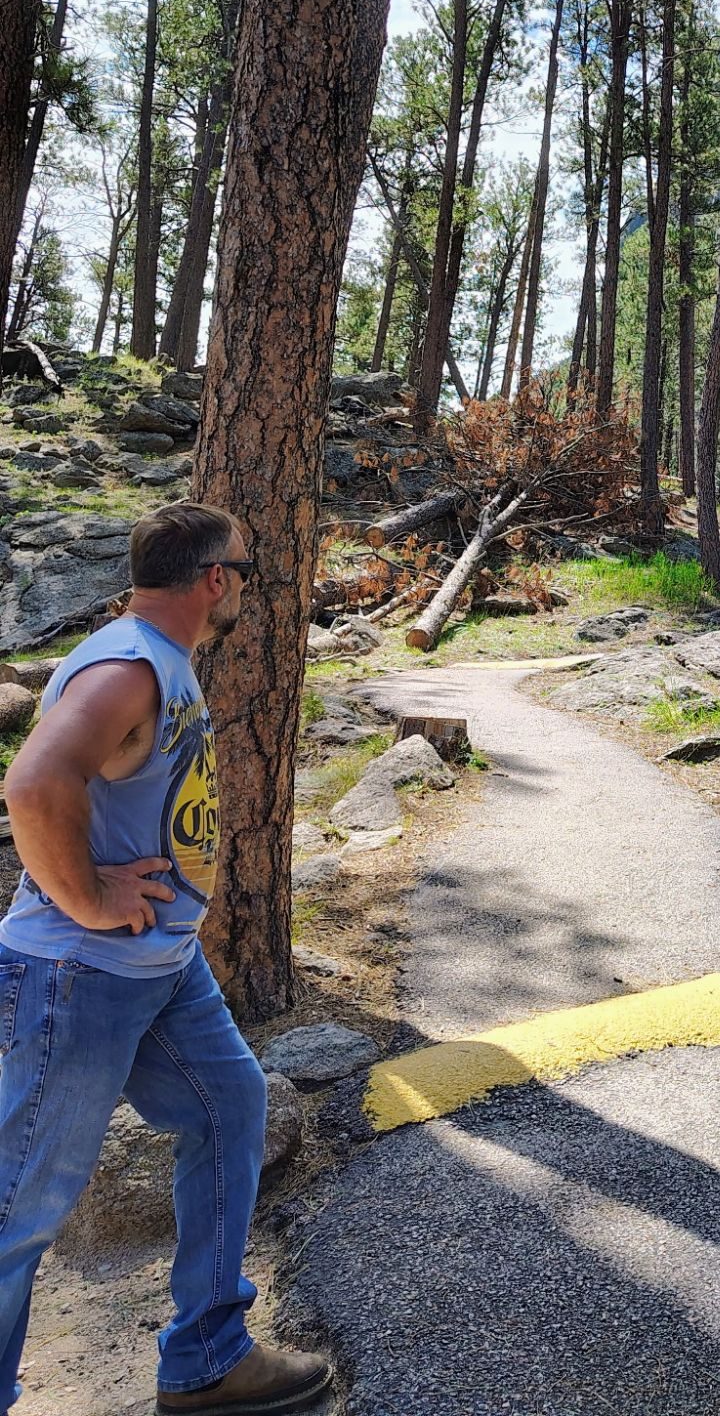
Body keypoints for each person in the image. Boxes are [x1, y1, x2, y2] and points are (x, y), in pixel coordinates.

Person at [0, 503, 332, 1415]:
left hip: (158, 968)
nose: (245, 588)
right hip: (80, 974)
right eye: (245, 572)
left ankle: (207, 1359)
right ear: (216, 579)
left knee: (230, 1107)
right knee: (21, 1202)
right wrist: (89, 898)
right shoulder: (128, 666)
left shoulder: (156, 656)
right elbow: (33, 784)